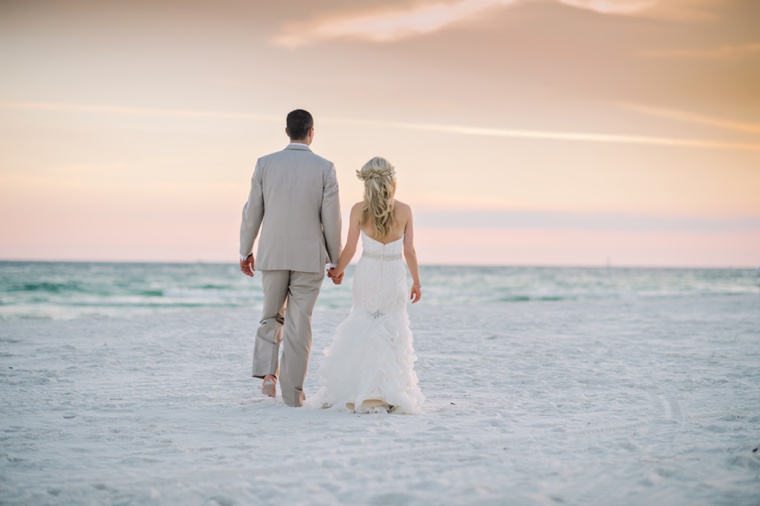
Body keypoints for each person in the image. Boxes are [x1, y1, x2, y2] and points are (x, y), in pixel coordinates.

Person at [239, 109, 342, 407]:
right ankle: (293, 394)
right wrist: (335, 260)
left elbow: (252, 212)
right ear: (311, 132)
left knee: (271, 315)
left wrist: (245, 249)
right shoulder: (325, 167)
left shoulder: (265, 164)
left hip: (272, 253)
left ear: (286, 132)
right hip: (310, 257)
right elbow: (331, 218)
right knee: (299, 324)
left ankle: (268, 374)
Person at [307, 156, 424, 414]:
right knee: (392, 328)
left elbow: (350, 247)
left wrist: (338, 270)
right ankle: (388, 391)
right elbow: (410, 251)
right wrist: (416, 281)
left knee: (365, 324)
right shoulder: (404, 210)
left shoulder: (359, 210)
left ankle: (360, 389)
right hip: (394, 276)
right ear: (391, 180)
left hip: (368, 274)